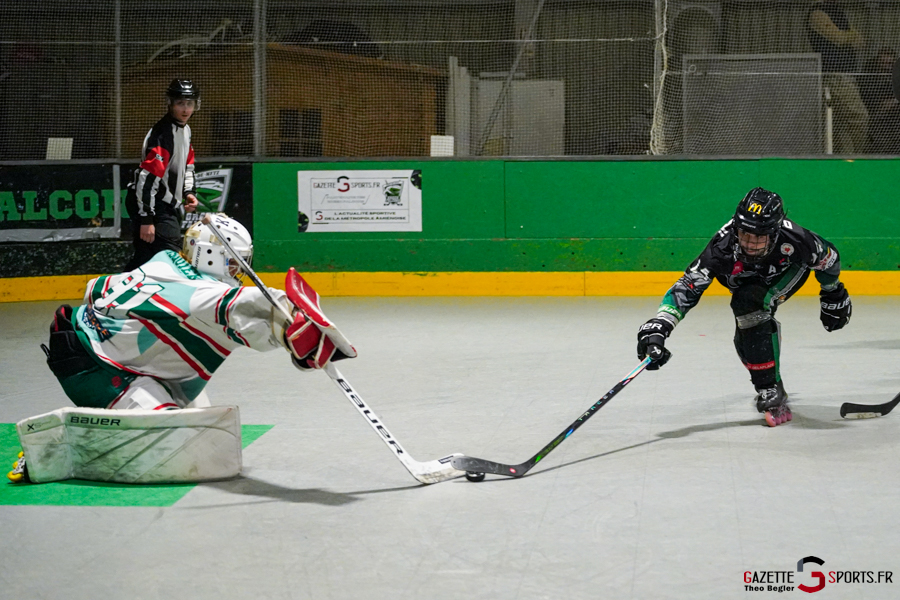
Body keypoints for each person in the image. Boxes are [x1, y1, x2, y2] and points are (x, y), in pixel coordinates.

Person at [8, 214, 354, 483]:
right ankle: (53, 447)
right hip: (100, 369)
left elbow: (94, 289)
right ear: (208, 254)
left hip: (97, 344)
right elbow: (245, 304)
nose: (237, 270)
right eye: (233, 261)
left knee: (199, 427)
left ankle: (143, 398)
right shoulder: (202, 294)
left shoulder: (166, 263)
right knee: (174, 448)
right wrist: (294, 328)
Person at [635, 188, 851, 427]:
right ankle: (771, 383)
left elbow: (829, 258)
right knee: (746, 339)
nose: (750, 243)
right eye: (745, 233)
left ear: (776, 231)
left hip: (788, 271)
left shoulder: (797, 240)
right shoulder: (722, 246)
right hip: (750, 285)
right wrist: (660, 325)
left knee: (749, 303)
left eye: (759, 237)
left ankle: (769, 388)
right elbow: (688, 285)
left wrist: (832, 291)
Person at [124, 79, 202, 272]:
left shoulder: (185, 131)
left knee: (146, 259)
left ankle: (110, 296)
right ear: (170, 104)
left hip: (160, 204)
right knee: (170, 258)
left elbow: (187, 165)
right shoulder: (163, 134)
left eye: (189, 104)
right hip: (154, 205)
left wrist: (188, 192)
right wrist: (147, 219)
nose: (185, 109)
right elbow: (147, 178)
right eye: (180, 103)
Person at [807, 1, 868, 154]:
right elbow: (838, 38)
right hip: (835, 76)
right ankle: (857, 156)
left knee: (842, 123)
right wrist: (849, 35)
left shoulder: (838, 11)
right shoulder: (818, 12)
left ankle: (849, 159)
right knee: (859, 116)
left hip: (849, 76)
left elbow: (860, 43)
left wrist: (848, 36)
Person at [859, 47, 900, 153]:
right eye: (884, 62)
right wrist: (880, 105)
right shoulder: (869, 77)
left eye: (890, 62)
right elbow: (866, 97)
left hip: (895, 115)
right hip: (876, 115)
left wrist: (895, 101)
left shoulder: (896, 76)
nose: (888, 65)